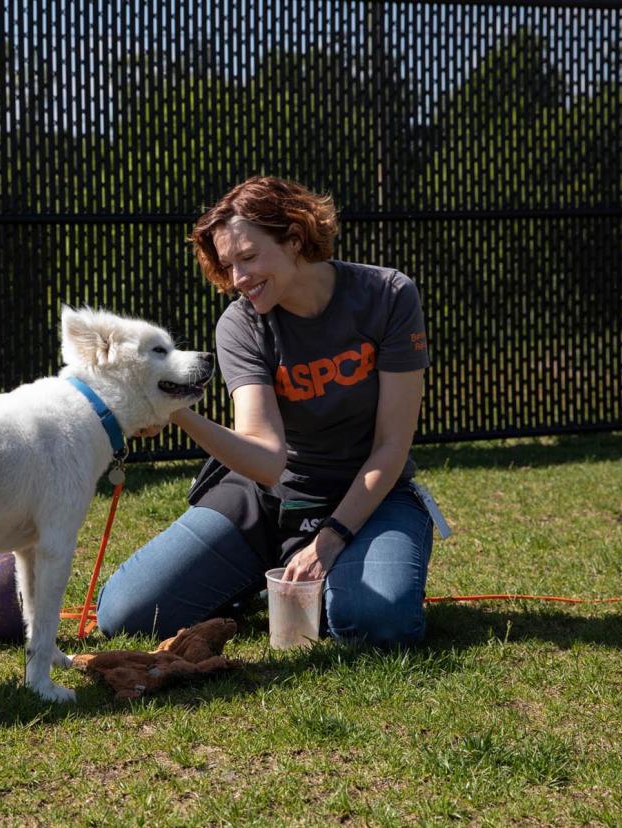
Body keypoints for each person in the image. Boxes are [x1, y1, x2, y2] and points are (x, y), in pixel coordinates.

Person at [96, 176, 435, 647]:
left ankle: (344, 571)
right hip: (263, 500)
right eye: (229, 264)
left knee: (374, 624)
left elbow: (391, 446)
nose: (238, 279)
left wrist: (332, 538)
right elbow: (266, 459)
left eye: (249, 258)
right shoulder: (240, 325)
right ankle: (263, 573)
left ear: (294, 237)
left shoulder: (389, 295)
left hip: (369, 499)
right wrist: (174, 410)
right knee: (125, 615)